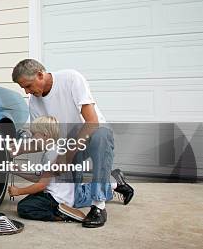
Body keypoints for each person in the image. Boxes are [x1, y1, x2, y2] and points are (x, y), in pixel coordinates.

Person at [10, 59, 135, 228]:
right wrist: (17, 150)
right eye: (23, 88)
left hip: (91, 135)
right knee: (73, 195)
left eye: (28, 86)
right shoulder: (34, 102)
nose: (27, 91)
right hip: (66, 147)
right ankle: (116, 183)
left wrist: (65, 156)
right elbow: (41, 141)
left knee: (101, 136)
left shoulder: (71, 79)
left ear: (40, 74)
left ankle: (98, 207)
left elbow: (92, 122)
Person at [7, 116, 80, 222]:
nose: (32, 138)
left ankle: (60, 215)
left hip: (57, 199)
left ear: (45, 136)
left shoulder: (51, 155)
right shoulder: (53, 151)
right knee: (29, 199)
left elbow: (41, 185)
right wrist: (16, 170)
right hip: (60, 196)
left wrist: (19, 191)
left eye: (34, 135)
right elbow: (40, 179)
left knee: (24, 207)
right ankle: (60, 210)